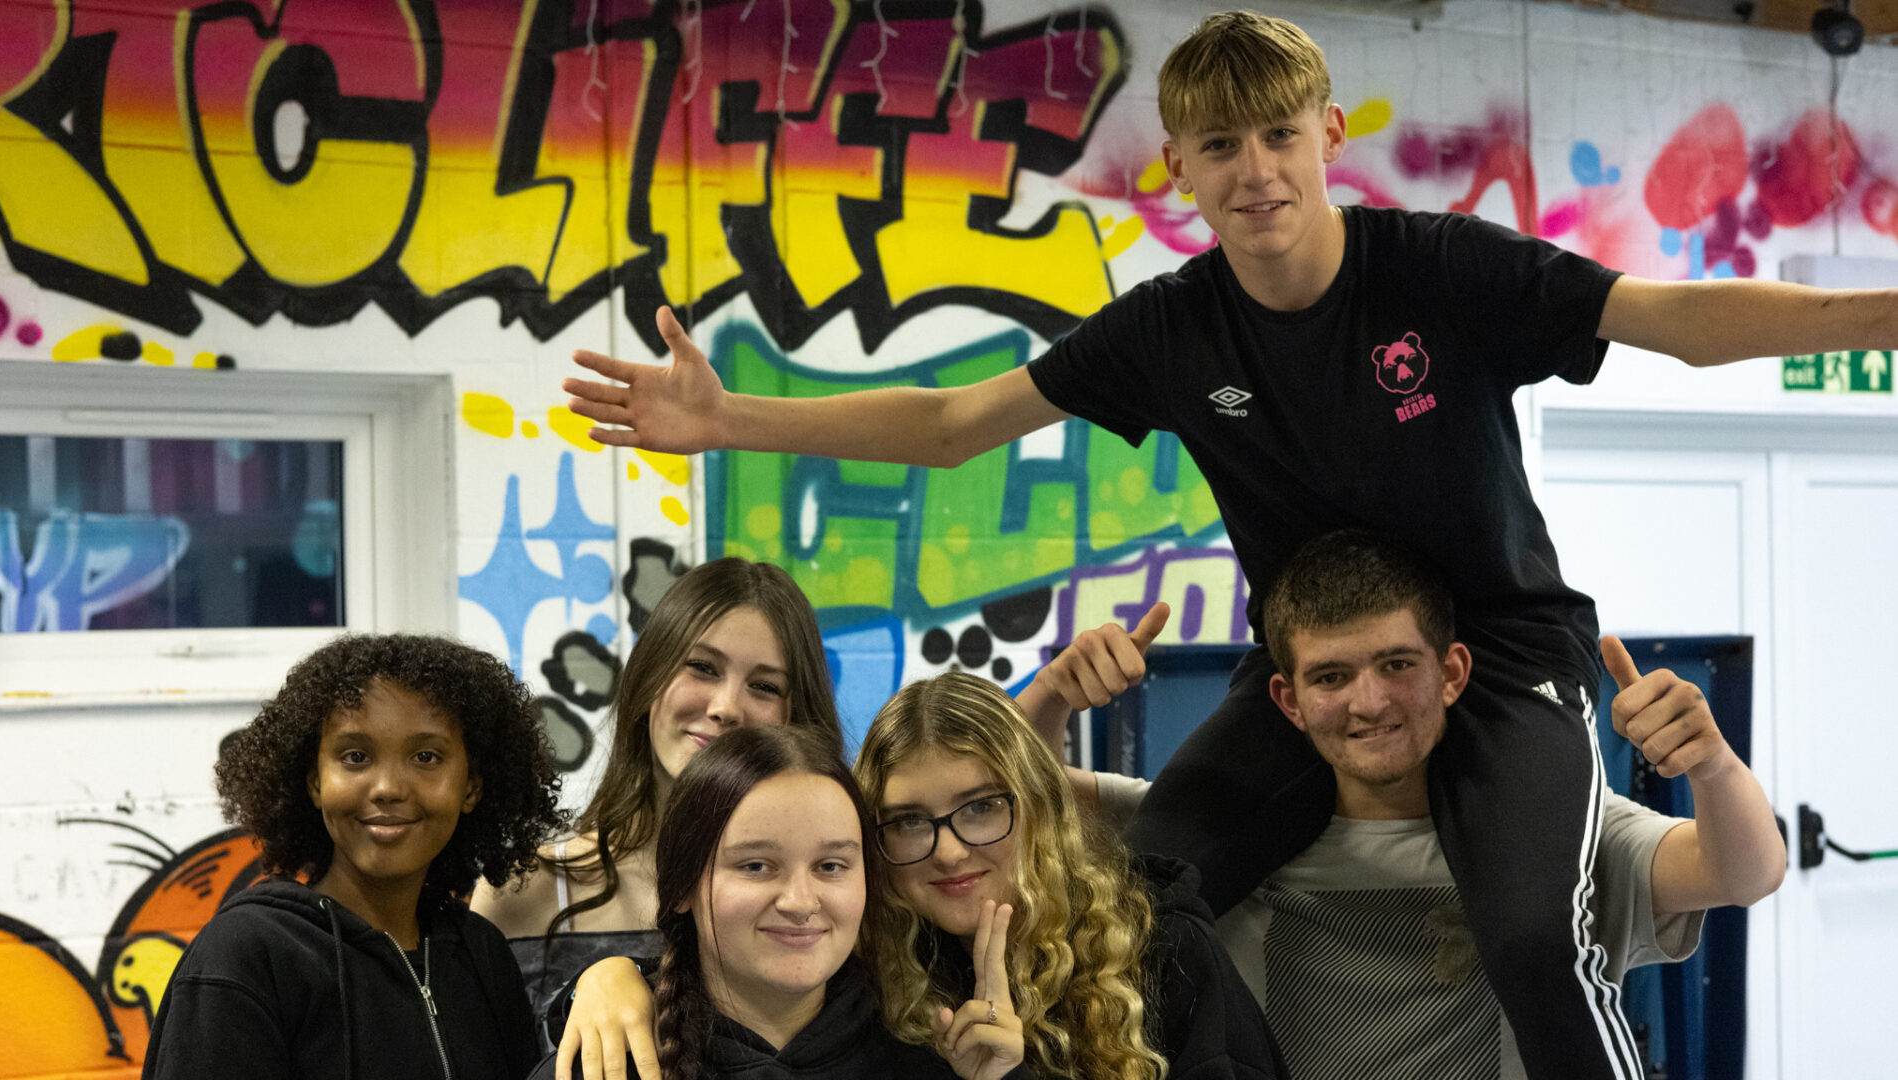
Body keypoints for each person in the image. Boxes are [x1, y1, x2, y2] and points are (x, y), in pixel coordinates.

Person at [558, 11, 1884, 1075]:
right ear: (1176, 173)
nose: (1254, 173)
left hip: (1504, 656)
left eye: (1275, 137)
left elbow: (1670, 315)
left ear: (1326, 136)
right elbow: (960, 421)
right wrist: (730, 417)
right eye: (1219, 147)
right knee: (1131, 896)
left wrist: (1878, 317)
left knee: (1534, 937)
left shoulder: (1441, 268)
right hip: (1296, 673)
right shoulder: (1174, 328)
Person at [1025, 530, 1786, 1079]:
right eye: (1331, 677)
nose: (1369, 702)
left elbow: (1743, 874)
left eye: (1397, 665)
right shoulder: (1217, 833)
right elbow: (1013, 802)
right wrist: (1053, 697)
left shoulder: (1553, 837)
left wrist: (1713, 765)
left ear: (1452, 672)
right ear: (1286, 699)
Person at [143, 633, 565, 1080]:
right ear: (314, 782)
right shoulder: (246, 957)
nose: (387, 787)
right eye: (355, 756)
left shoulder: (481, 955)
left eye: (426, 756)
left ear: (471, 787)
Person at [471, 557, 841, 1059]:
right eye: (703, 668)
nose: (726, 706)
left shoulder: (829, 902)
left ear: (798, 715)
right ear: (649, 678)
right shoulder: (524, 888)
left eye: (764, 686)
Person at [527, 723, 1034, 1080]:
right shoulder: (603, 1062)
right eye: (755, 866)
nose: (799, 900)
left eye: (831, 866)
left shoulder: (939, 1057)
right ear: (681, 886)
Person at [855, 671, 1285, 1080]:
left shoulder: (1163, 950)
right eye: (908, 822)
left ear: (1041, 806)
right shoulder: (871, 982)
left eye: (980, 807)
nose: (948, 852)